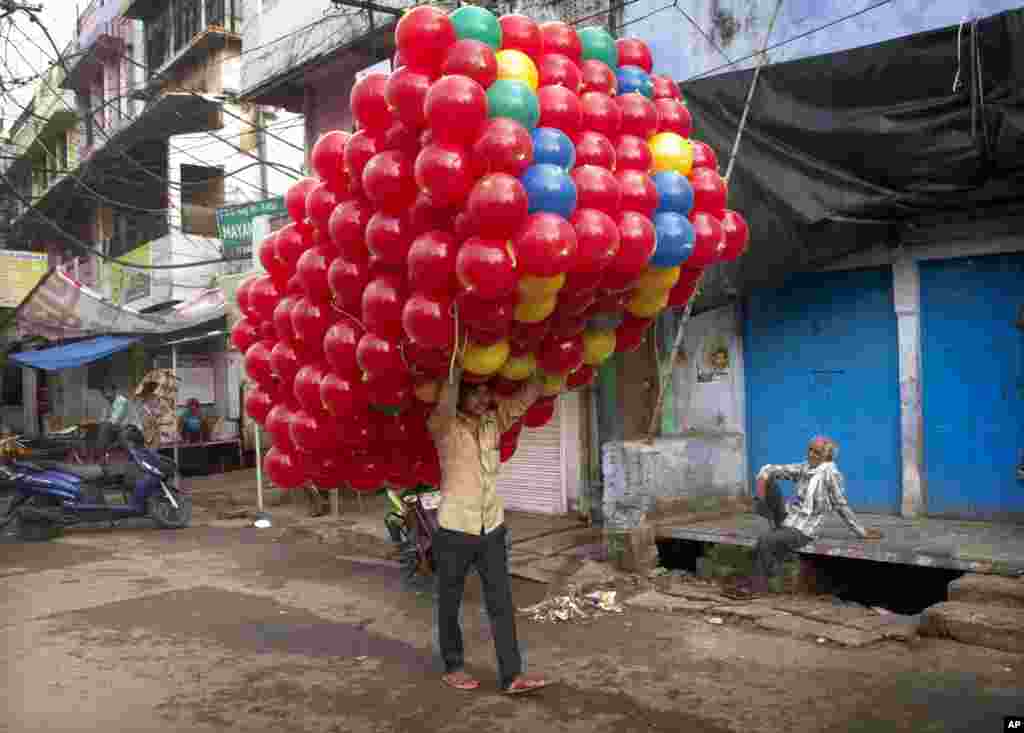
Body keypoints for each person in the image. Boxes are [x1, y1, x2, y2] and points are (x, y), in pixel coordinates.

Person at [427, 366, 550, 695]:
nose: (482, 399)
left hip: (491, 528)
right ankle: (453, 666)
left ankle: (512, 675)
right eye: (475, 392)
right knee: (449, 602)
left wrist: (544, 365)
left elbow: (525, 398)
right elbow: (445, 400)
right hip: (455, 529)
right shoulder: (444, 426)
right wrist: (454, 367)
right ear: (460, 394)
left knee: (501, 602)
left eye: (485, 392)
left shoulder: (495, 422)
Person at [734, 436, 883, 596]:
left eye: (817, 452)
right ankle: (771, 527)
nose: (811, 454)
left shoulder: (830, 475)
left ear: (827, 456)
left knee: (765, 540)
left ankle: (757, 587)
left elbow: (841, 505)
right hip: (788, 518)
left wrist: (861, 531)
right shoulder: (805, 468)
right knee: (768, 478)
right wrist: (761, 493)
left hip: (803, 529)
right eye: (810, 449)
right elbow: (769, 469)